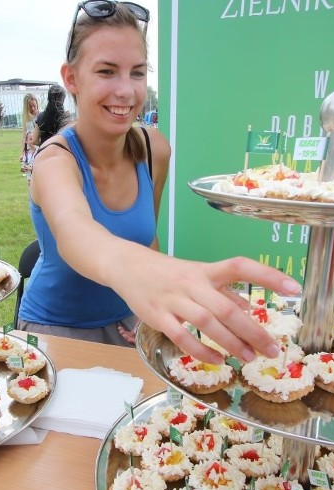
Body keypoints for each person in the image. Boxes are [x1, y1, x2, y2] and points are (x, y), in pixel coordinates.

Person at [18, 1, 301, 364]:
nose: (126, 91)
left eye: (137, 73)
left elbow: (147, 239)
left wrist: (148, 302)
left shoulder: (154, 148)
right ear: (71, 78)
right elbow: (75, 232)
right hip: (57, 332)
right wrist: (138, 273)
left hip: (130, 322)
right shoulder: (54, 161)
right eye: (106, 72)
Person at [21, 93, 40, 174]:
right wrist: (22, 153)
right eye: (30, 106)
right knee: (29, 172)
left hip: (39, 147)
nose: (33, 108)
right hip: (30, 147)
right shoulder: (26, 118)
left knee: (38, 170)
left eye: (34, 106)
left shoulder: (41, 115)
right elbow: (24, 136)